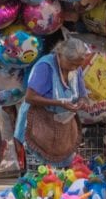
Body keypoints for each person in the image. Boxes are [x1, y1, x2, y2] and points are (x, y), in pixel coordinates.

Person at [14, 38, 89, 173]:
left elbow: (82, 94)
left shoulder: (75, 70)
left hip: (61, 129)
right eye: (71, 64)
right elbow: (30, 97)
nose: (74, 68)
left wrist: (81, 102)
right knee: (38, 176)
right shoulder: (45, 66)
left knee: (61, 176)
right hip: (38, 126)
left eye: (77, 65)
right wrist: (59, 103)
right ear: (60, 54)